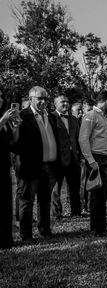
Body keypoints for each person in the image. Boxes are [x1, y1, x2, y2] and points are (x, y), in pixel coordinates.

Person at [14, 86, 60, 242]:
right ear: (30, 99)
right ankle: (26, 234)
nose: (43, 101)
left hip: (49, 165)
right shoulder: (22, 116)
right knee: (27, 201)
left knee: (45, 200)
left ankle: (45, 230)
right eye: (39, 98)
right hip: (30, 166)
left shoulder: (51, 116)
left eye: (45, 98)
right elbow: (16, 145)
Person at [79, 90, 107, 237]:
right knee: (97, 195)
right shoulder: (91, 116)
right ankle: (96, 228)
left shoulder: (104, 118)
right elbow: (83, 139)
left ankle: (102, 225)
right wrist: (91, 160)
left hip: (106, 158)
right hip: (97, 158)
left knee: (104, 194)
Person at [51, 94, 82, 217]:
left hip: (73, 157)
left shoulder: (73, 119)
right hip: (58, 158)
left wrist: (81, 156)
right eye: (62, 102)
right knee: (56, 188)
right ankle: (56, 213)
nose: (65, 104)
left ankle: (76, 211)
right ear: (55, 104)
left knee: (74, 186)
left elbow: (77, 138)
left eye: (67, 101)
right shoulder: (50, 117)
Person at [0, 93, 20, 249]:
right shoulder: (3, 119)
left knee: (6, 203)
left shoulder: (4, 118)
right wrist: (3, 120)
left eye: (1, 96)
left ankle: (6, 239)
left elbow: (13, 142)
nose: (0, 99)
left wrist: (15, 127)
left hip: (4, 164)